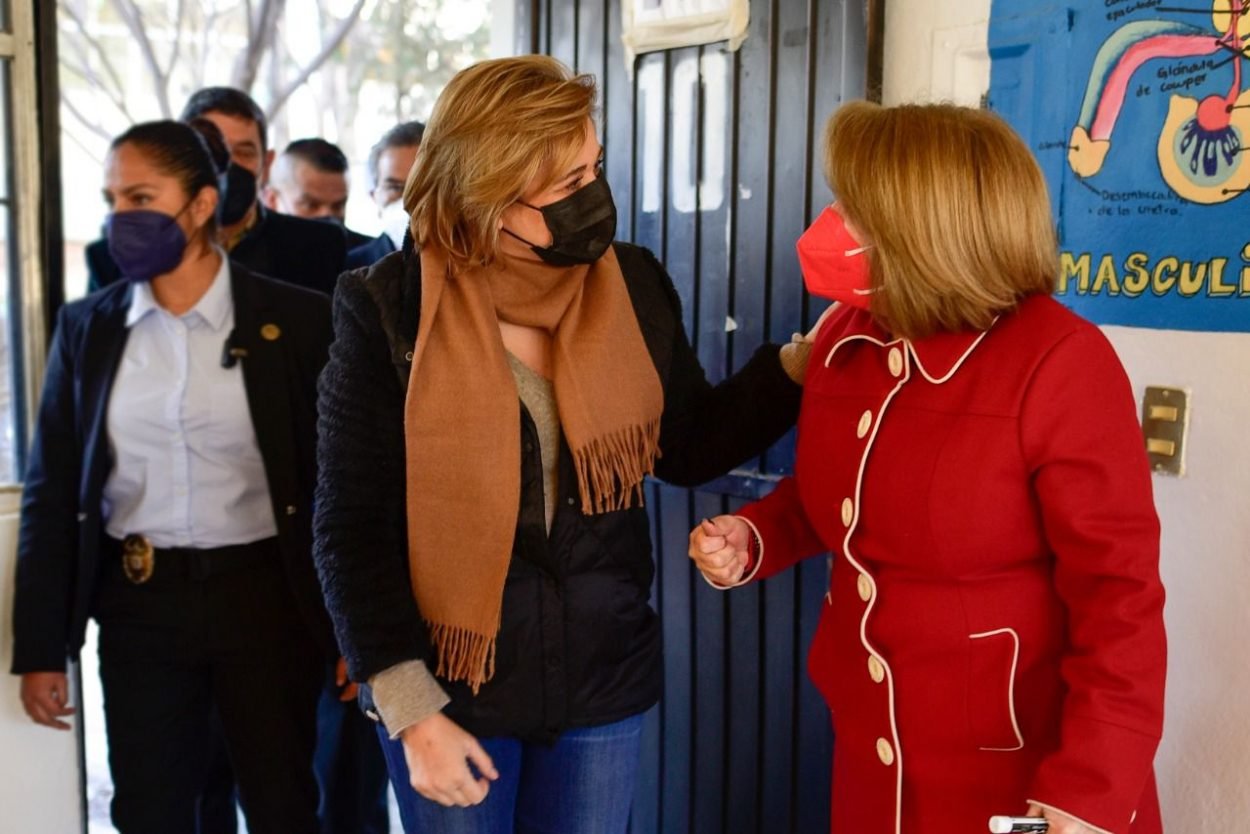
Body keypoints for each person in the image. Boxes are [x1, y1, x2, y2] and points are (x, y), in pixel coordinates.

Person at [313, 55, 810, 834]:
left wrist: (794, 368)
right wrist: (411, 709)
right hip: (451, 695)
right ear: (487, 196)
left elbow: (685, 445)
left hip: (600, 683)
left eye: (595, 168)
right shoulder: (385, 307)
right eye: (568, 184)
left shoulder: (633, 283)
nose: (595, 198)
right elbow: (350, 526)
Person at [688, 102, 1167, 834]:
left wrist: (1090, 788)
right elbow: (844, 494)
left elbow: (1119, 596)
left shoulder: (1061, 361)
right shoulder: (845, 336)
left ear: (927, 226)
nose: (829, 226)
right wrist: (758, 537)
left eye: (851, 210)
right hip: (873, 751)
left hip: (1020, 772)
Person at [11, 119, 335, 834]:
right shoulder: (88, 329)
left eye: (140, 198)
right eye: (112, 199)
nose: (119, 218)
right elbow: (51, 494)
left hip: (267, 602)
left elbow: (338, 490)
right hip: (141, 605)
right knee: (149, 812)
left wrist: (353, 631)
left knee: (282, 805)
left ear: (200, 204)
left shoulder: (298, 321)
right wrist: (41, 649)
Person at [86, 87, 346, 296]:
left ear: (266, 165)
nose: (227, 166)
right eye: (209, 149)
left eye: (244, 152)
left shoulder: (317, 247)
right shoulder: (115, 255)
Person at [263, 137, 373, 249]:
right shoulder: (256, 254)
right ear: (272, 200)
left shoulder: (371, 254)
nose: (327, 215)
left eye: (338, 206)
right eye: (311, 205)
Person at [345, 121, 425, 269]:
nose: (409, 200)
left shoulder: (467, 268)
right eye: (395, 187)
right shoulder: (350, 269)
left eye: (423, 186)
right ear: (374, 196)